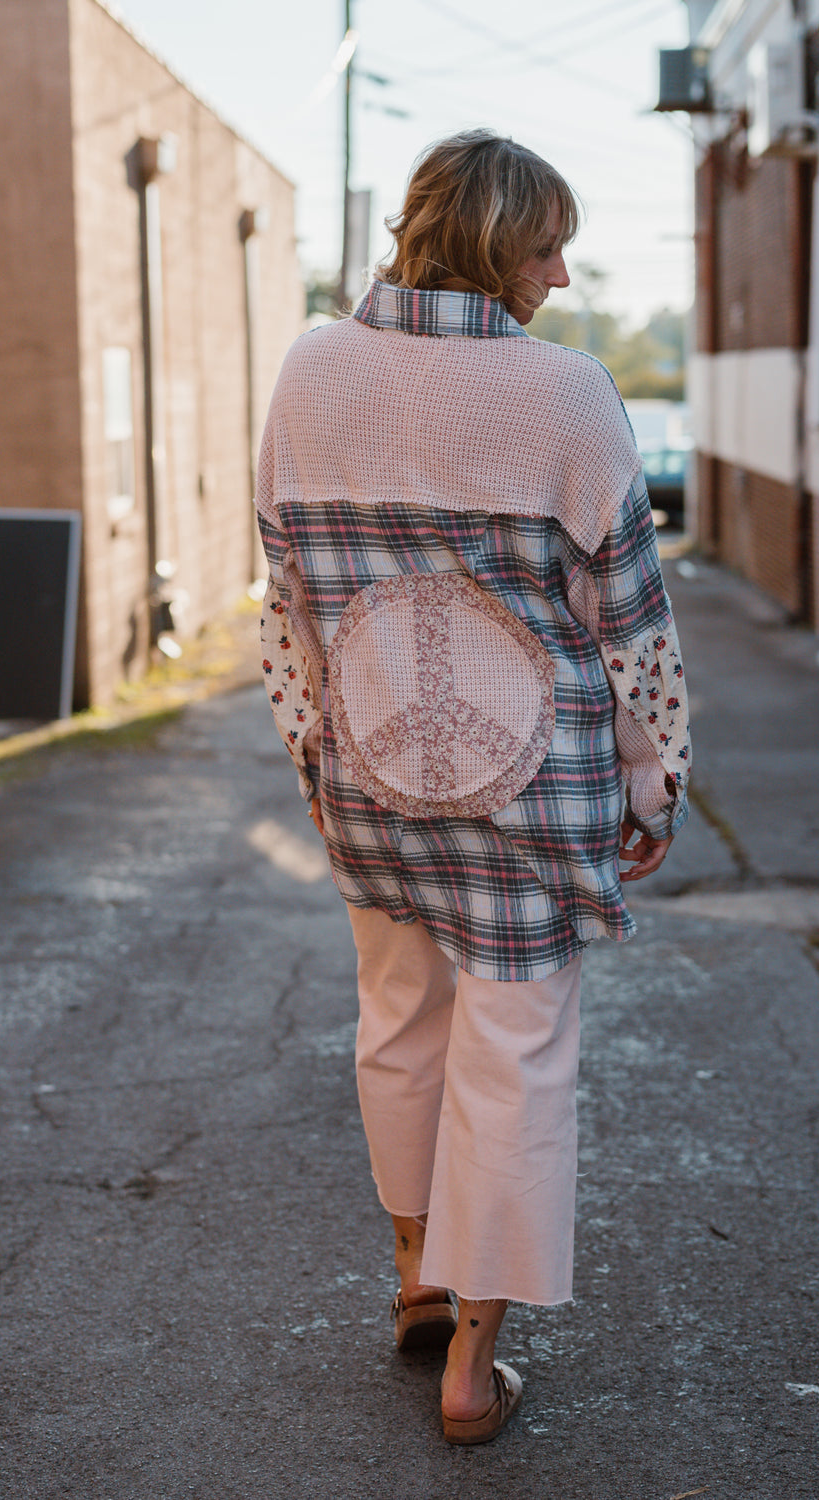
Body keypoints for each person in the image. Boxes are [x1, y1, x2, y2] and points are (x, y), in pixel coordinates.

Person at [256, 129, 690, 1445]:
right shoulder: (566, 394)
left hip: (376, 781)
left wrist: (319, 772)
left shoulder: (310, 372)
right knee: (518, 1055)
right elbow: (633, 624)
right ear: (499, 247)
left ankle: (415, 1281)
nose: (560, 276)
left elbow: (286, 613)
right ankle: (472, 1365)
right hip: (532, 801)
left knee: (398, 1023)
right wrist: (653, 785)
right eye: (547, 246)